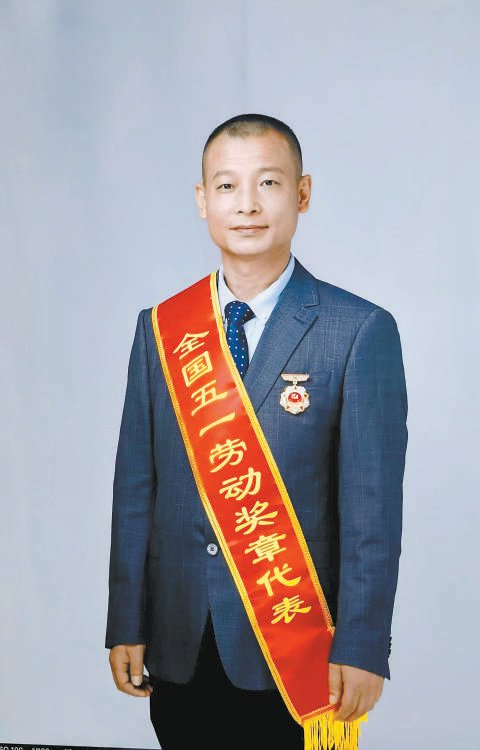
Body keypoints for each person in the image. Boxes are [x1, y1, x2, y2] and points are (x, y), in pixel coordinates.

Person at [105, 113, 408, 750]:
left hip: (298, 648)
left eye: (268, 183)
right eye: (226, 186)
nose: (246, 205)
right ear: (202, 200)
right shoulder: (160, 329)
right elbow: (135, 492)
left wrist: (363, 645)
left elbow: (372, 512)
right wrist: (126, 621)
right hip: (179, 640)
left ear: (302, 193)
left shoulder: (358, 330)